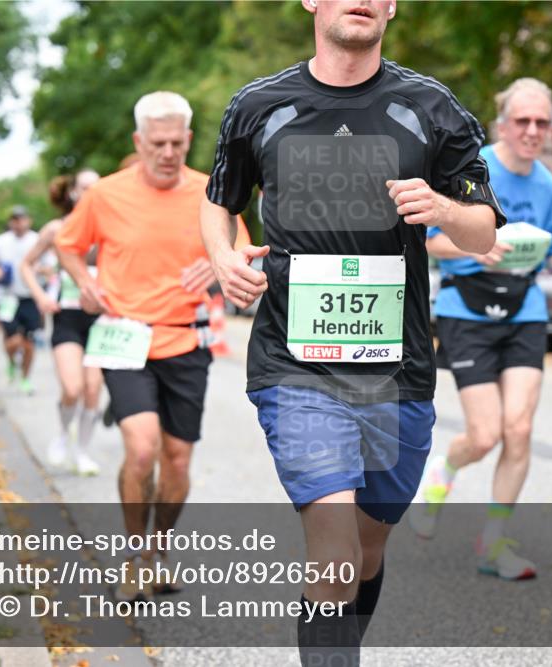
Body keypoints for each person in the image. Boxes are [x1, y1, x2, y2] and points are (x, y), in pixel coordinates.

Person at [201, 1, 503, 663]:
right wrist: (224, 257)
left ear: (392, 7)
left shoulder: (432, 107)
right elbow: (219, 202)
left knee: (366, 552)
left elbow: (484, 230)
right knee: (333, 543)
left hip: (399, 376)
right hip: (295, 364)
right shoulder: (257, 105)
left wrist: (444, 207)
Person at [57, 91, 249, 601]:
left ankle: (158, 550)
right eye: (157, 143)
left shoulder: (212, 193)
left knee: (178, 458)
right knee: (141, 449)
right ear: (138, 142)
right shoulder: (106, 195)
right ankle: (134, 556)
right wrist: (85, 282)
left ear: (188, 139)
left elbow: (244, 250)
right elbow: (67, 244)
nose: (168, 152)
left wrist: (222, 261)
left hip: (187, 342)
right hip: (127, 337)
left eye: (176, 143)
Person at [408, 78, 552, 580]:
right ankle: (443, 474)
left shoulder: (548, 185)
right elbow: (429, 240)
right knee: (485, 435)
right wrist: (475, 244)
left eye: (542, 123)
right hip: (466, 310)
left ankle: (493, 544)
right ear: (503, 123)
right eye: (523, 121)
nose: (532, 130)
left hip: (524, 311)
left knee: (520, 430)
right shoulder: (476, 169)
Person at [20, 169, 103, 475]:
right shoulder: (57, 229)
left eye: (96, 188)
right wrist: (41, 296)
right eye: (83, 188)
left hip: (102, 319)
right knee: (72, 388)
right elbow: (26, 265)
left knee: (93, 390)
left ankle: (82, 451)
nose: (88, 193)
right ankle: (61, 435)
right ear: (73, 192)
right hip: (67, 317)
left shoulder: (112, 228)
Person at [0, 206, 40, 394]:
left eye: (22, 219)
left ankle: (25, 378)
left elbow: (50, 267)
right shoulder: (0, 242)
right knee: (13, 341)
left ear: (29, 220)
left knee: (29, 344)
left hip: (30, 298)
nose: (18, 223)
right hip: (8, 298)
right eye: (15, 219)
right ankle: (11, 362)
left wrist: (38, 271)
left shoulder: (37, 240)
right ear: (10, 222)